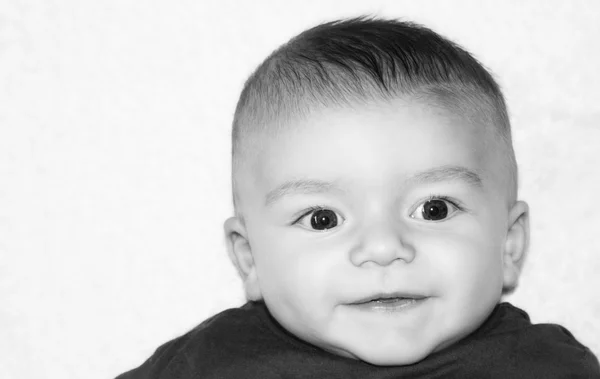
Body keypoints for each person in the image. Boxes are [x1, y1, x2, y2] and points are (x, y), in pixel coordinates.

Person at [117, 17, 600, 378]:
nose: (384, 247)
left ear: (509, 245)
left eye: (433, 209)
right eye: (323, 218)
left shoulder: (547, 368)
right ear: (250, 259)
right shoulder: (206, 366)